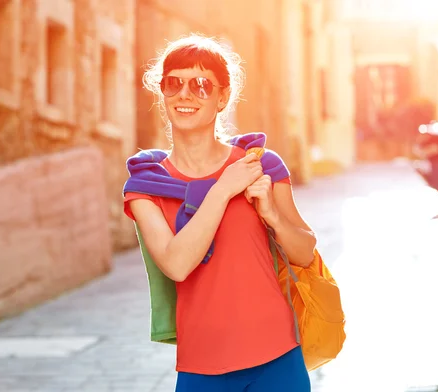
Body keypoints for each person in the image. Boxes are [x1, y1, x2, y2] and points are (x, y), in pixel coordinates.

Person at [123, 34, 316, 392]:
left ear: (222, 97)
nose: (185, 94)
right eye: (174, 83)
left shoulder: (261, 165)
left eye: (201, 85)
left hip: (277, 359)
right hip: (202, 368)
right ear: (161, 91)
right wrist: (224, 188)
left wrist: (271, 213)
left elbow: (305, 252)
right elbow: (177, 264)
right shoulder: (146, 185)